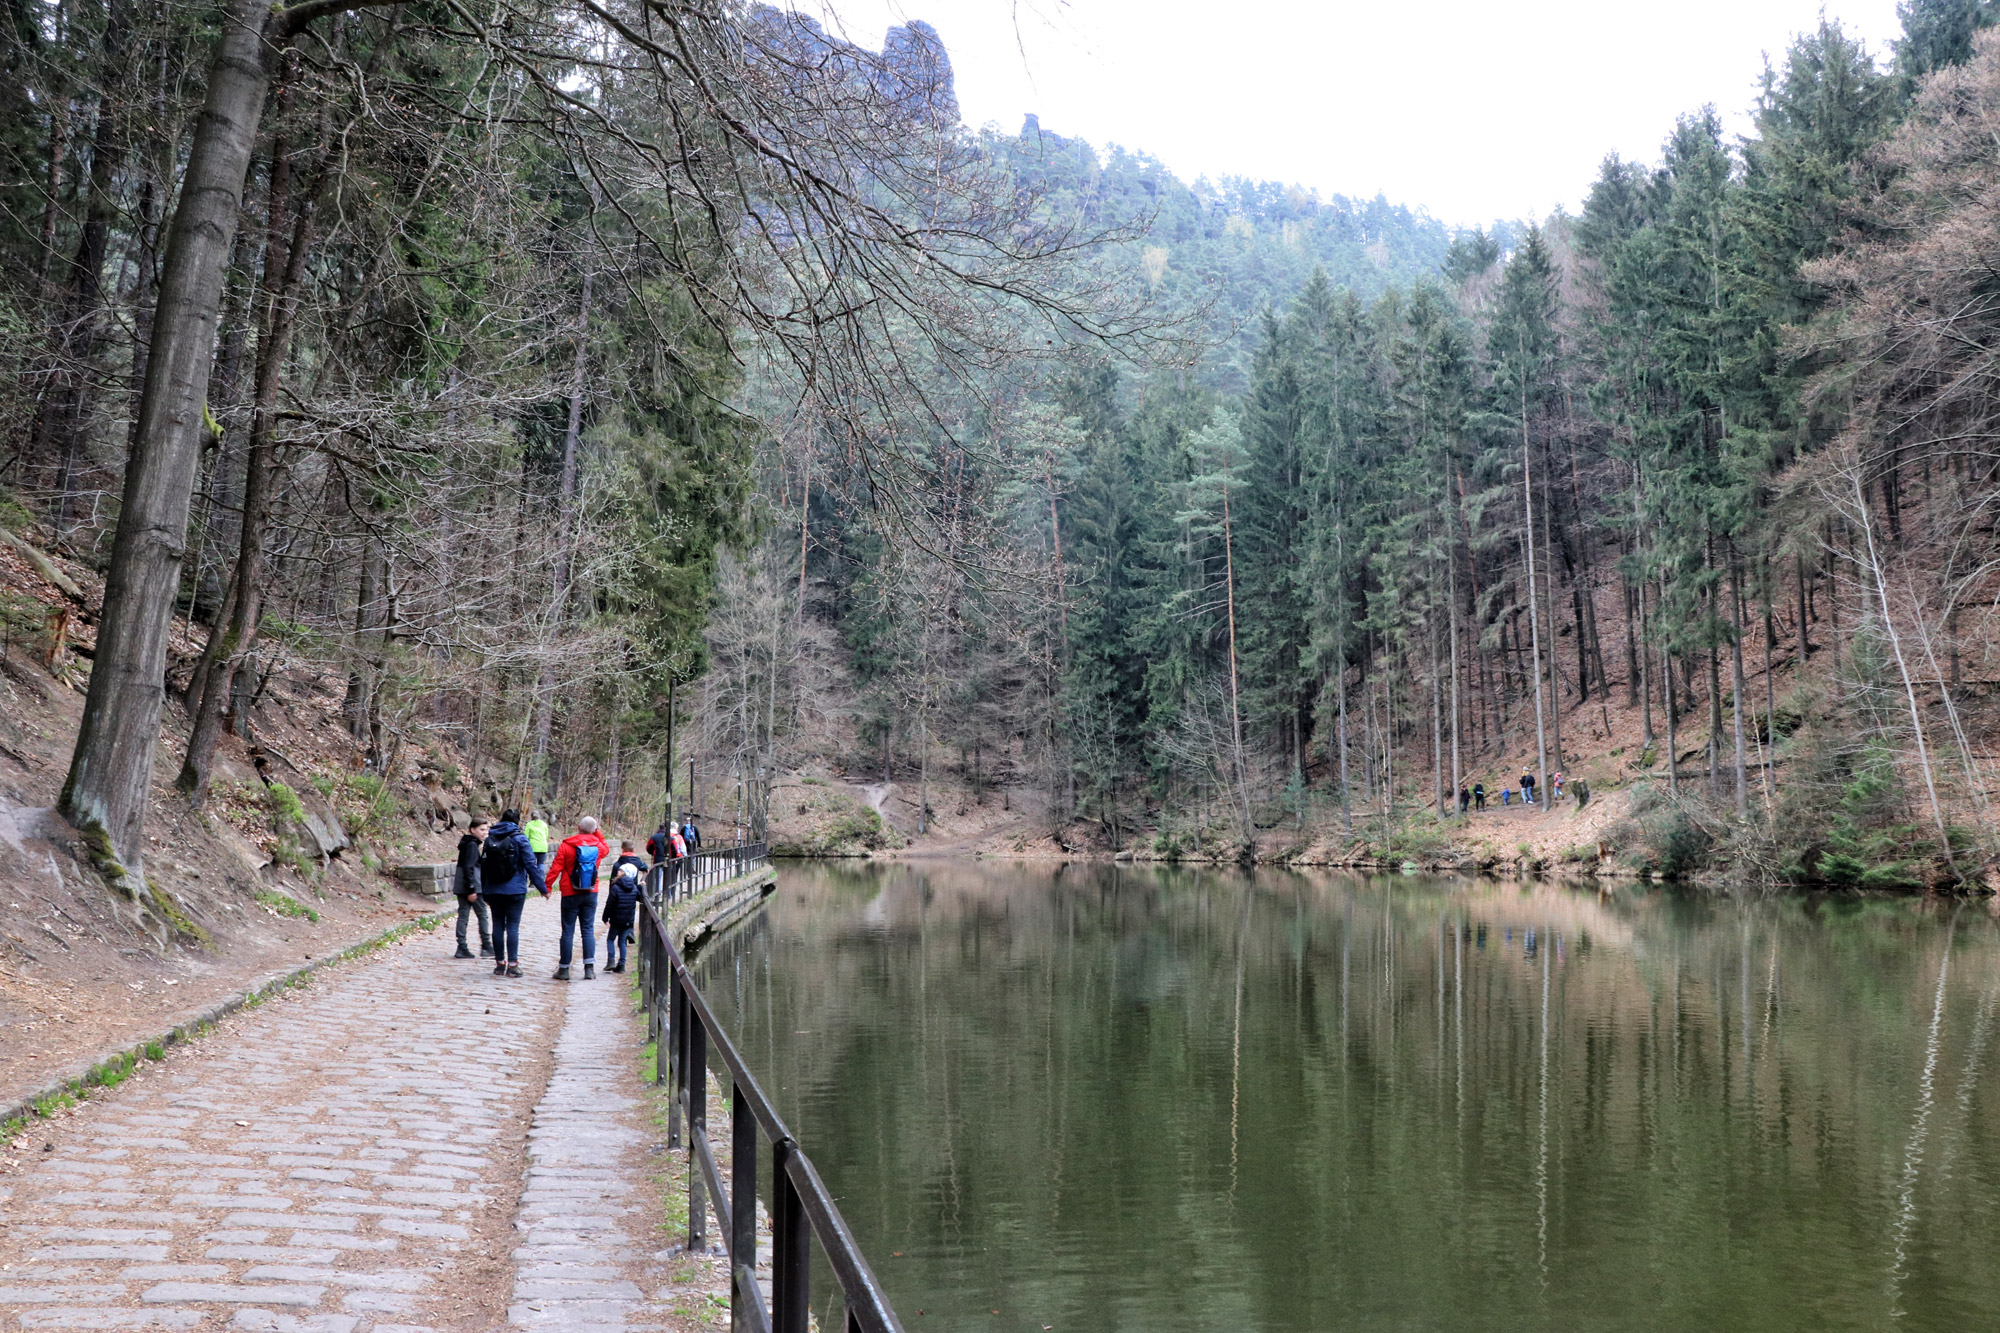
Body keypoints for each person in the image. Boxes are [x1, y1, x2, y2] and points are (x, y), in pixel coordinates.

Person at [480, 809, 548, 979]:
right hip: (515, 890)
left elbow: (484, 867)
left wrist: (484, 890)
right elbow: (531, 865)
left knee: (497, 925)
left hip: (493, 889)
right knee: (512, 926)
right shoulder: (520, 839)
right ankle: (512, 966)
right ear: (517, 822)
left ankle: (499, 964)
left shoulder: (490, 839)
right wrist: (542, 888)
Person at [546, 816, 611, 981]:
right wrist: (597, 832)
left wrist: (547, 886)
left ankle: (564, 970)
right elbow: (606, 848)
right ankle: (589, 970)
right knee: (587, 930)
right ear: (594, 830)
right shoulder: (598, 846)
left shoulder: (567, 845)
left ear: (578, 826)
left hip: (570, 892)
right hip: (590, 891)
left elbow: (556, 867)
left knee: (568, 931)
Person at [452, 819, 493, 960]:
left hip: (462, 885)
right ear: (472, 830)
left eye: (486, 830)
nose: (485, 833)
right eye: (482, 830)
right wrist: (471, 889)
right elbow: (469, 868)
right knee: (482, 915)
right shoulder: (471, 846)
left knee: (463, 915)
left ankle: (462, 947)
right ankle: (486, 946)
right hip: (471, 886)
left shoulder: (468, 844)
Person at [603, 858, 643, 974]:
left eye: (620, 871)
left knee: (610, 939)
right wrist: (641, 887)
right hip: (628, 920)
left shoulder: (615, 887)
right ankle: (621, 964)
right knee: (622, 941)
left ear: (624, 873)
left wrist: (605, 917)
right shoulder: (634, 888)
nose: (618, 872)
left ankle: (611, 961)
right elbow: (640, 898)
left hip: (616, 920)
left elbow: (609, 904)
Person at [524, 810, 552, 877]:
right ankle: (541, 877)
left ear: (531, 816)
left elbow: (526, 837)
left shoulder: (529, 824)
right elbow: (546, 836)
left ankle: (532, 882)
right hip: (543, 847)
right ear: (539, 816)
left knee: (532, 864)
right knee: (541, 863)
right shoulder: (544, 824)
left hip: (532, 847)